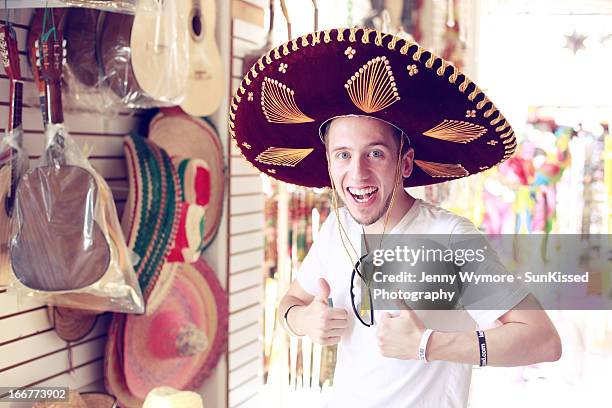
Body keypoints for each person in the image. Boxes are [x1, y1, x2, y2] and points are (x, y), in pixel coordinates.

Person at [229, 27, 561, 407]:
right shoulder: (335, 230)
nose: (357, 174)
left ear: (404, 162)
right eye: (343, 155)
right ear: (328, 164)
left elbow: (543, 340)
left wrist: (427, 343)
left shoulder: (449, 237)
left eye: (374, 154)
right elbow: (291, 301)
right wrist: (304, 322)